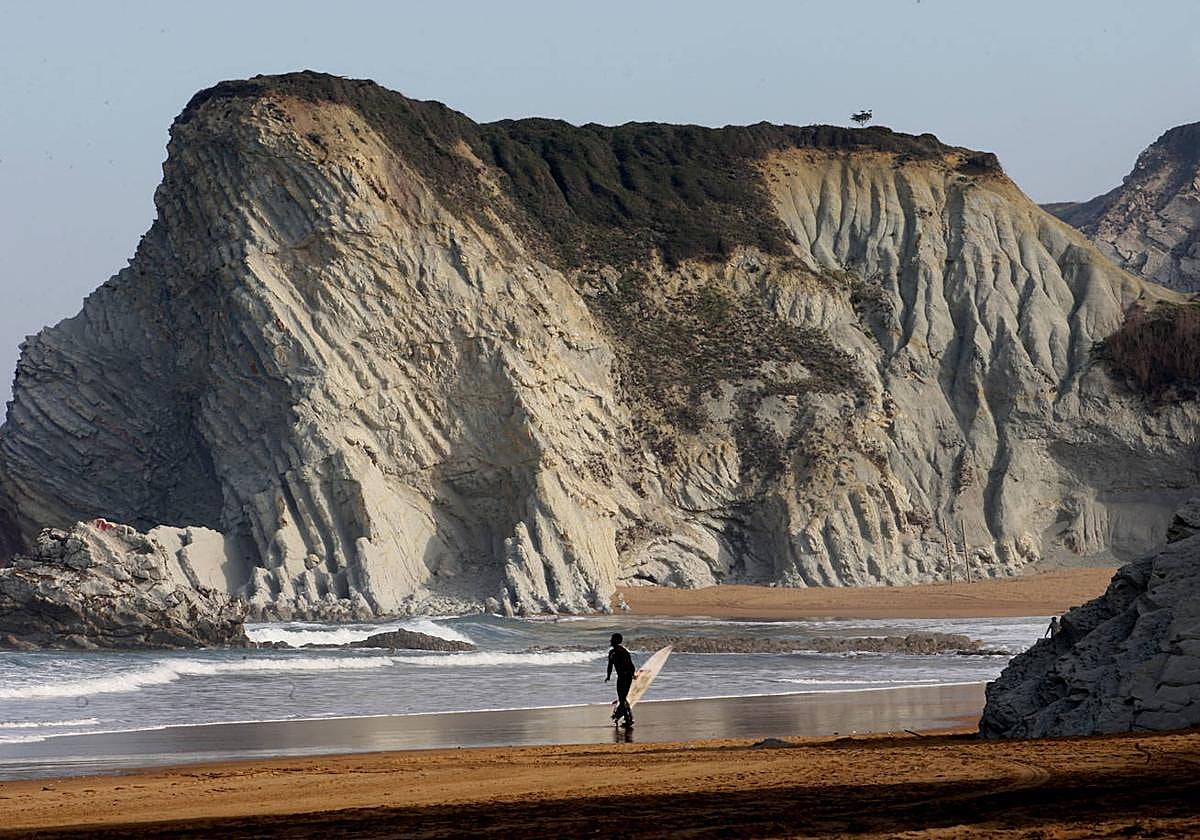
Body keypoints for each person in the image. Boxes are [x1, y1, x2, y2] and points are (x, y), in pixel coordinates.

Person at [606, 632, 636, 727]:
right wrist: (608, 676)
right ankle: (624, 716)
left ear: (617, 641)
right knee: (622, 698)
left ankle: (627, 718)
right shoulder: (612, 652)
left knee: (622, 698)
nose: (610, 640)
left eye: (612, 639)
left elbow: (630, 665)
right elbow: (610, 665)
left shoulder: (623, 652)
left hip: (626, 677)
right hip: (621, 677)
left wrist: (632, 675)